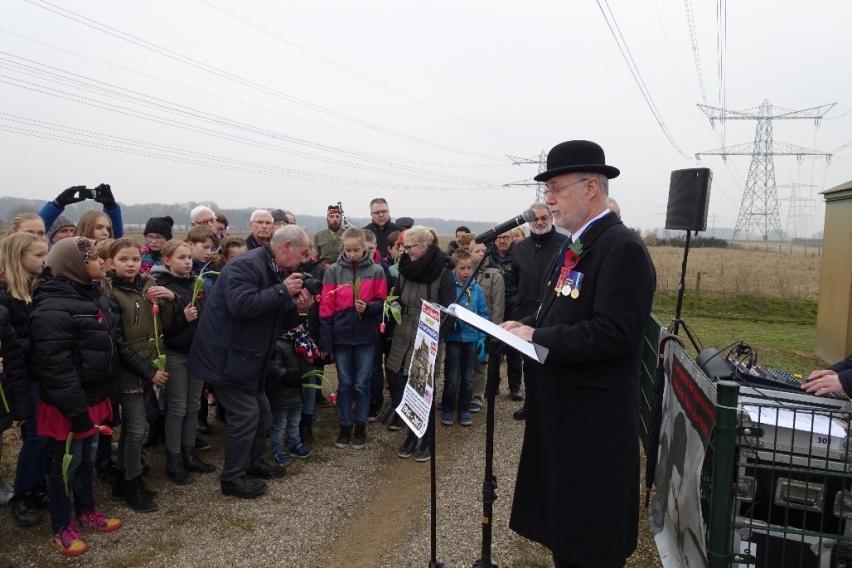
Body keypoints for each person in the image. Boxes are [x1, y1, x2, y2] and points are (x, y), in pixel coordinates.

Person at [503, 140, 655, 568]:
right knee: (568, 537)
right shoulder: (577, 245)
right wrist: (526, 331)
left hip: (594, 428)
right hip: (565, 417)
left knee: (590, 544)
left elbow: (616, 333)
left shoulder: (620, 247)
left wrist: (540, 338)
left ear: (591, 187)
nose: (547, 199)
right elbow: (562, 313)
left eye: (555, 187)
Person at [188, 225, 313, 498]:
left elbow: (274, 315)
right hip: (227, 356)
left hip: (250, 356)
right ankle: (232, 478)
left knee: (262, 411)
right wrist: (282, 291)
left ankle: (253, 463)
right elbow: (241, 305)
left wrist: (299, 309)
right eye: (302, 252)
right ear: (287, 247)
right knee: (245, 414)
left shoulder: (273, 269)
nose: (304, 259)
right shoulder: (246, 265)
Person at [30, 237, 128, 557]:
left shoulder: (91, 296)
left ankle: (87, 510)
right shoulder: (53, 308)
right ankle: (61, 525)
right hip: (69, 405)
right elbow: (55, 369)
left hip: (93, 396)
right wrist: (77, 411)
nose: (101, 262)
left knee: (86, 460)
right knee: (64, 467)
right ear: (74, 264)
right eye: (93, 257)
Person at [104, 239, 172, 510]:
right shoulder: (111, 295)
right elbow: (118, 343)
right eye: (123, 259)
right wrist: (149, 371)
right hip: (129, 372)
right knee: (136, 429)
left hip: (147, 367)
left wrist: (166, 302)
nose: (130, 264)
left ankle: (123, 477)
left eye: (134, 259)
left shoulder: (146, 289)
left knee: (135, 427)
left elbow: (161, 326)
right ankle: (132, 482)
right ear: (111, 263)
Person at [387, 226, 455, 461]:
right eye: (404, 247)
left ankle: (425, 439)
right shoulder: (404, 269)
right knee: (404, 383)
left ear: (425, 247)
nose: (406, 251)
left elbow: (449, 308)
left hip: (427, 334)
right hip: (403, 332)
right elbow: (396, 296)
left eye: (410, 247)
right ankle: (409, 434)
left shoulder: (443, 272)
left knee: (424, 387)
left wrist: (435, 335)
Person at [153, 240, 217, 484]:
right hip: (176, 353)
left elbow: (204, 310)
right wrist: (179, 305)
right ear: (167, 260)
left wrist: (179, 300)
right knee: (177, 407)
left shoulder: (196, 282)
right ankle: (174, 458)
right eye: (181, 257)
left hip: (197, 352)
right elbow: (164, 326)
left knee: (192, 405)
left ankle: (189, 453)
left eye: (189, 257)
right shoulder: (161, 285)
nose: (187, 261)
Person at [319, 228, 388, 449]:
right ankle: (344, 425)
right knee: (345, 383)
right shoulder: (333, 272)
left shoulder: (376, 271)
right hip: (342, 337)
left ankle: (360, 426)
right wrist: (326, 341)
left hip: (366, 336)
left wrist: (368, 308)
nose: (352, 254)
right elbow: (326, 309)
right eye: (347, 250)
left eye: (356, 250)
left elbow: (383, 303)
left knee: (362, 384)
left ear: (364, 247)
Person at [1, 233, 49, 526]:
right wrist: (45, 343)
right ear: (20, 258)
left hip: (45, 373)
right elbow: (14, 344)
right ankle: (23, 492)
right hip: (26, 377)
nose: (44, 260)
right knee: (36, 435)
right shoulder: (7, 299)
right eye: (38, 255)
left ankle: (37, 483)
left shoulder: (38, 289)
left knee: (45, 436)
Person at [508, 203, 567, 420]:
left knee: (551, 363)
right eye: (535, 219)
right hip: (525, 314)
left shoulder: (564, 245)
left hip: (554, 314)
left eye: (544, 217)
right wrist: (516, 301)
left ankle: (552, 407)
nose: (540, 222)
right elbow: (513, 280)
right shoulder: (520, 248)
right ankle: (531, 405)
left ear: (551, 217)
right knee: (530, 365)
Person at [441, 250, 488, 427]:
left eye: (469, 267)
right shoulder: (449, 288)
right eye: (462, 268)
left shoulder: (476, 289)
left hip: (471, 339)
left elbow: (483, 313)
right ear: (455, 269)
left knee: (468, 377)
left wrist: (482, 336)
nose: (466, 271)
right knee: (452, 376)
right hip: (454, 338)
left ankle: (464, 408)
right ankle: (447, 407)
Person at [265, 330, 314, 465]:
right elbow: (273, 368)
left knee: (295, 421)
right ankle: (278, 449)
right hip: (280, 392)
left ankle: (295, 444)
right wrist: (288, 376)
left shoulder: (300, 341)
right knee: (280, 424)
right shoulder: (276, 343)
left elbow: (306, 361)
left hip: (297, 391)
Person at [469, 242, 505, 412]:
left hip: (485, 326)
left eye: (484, 251)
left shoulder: (495, 276)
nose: (481, 254)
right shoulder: (465, 272)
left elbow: (498, 306)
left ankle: (477, 396)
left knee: (480, 364)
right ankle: (463, 394)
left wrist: (494, 331)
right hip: (467, 326)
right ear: (470, 253)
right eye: (477, 251)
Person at [486, 232, 522, 400]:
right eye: (499, 237)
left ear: (511, 239)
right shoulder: (488, 255)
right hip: (493, 306)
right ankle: (492, 386)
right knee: (493, 348)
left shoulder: (519, 256)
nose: (502, 241)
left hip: (513, 306)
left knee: (513, 348)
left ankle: (514, 387)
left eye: (506, 237)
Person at [38, 184, 123, 238]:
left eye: (108, 229)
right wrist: (58, 203)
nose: (105, 232)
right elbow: (32, 234)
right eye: (98, 227)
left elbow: (116, 234)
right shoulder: (68, 253)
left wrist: (111, 206)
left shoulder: (109, 254)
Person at [363, 198, 402, 264]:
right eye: (377, 212)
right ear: (371, 214)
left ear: (389, 212)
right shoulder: (362, 234)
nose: (381, 215)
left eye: (384, 211)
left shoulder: (401, 232)